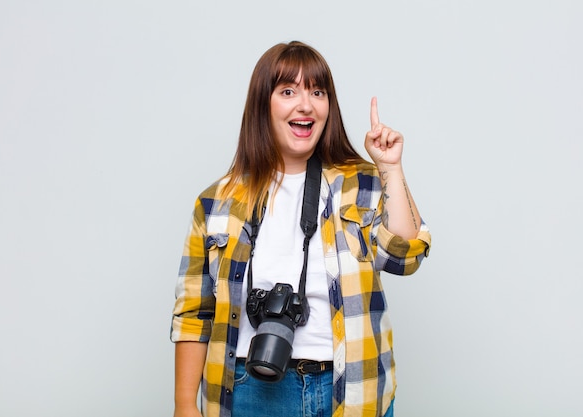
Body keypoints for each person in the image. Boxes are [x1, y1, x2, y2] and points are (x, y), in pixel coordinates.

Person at [171, 41, 431, 417]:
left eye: (317, 91)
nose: (305, 104)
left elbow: (404, 257)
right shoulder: (216, 203)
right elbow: (194, 313)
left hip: (351, 389)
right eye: (288, 91)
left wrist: (390, 167)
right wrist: (184, 407)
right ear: (264, 104)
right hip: (247, 389)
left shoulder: (362, 183)